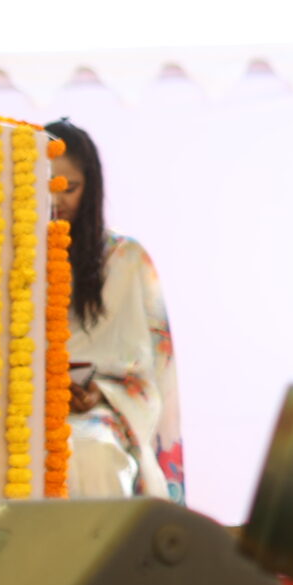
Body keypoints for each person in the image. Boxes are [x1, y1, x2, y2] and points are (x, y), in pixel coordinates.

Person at [47, 120, 185, 503]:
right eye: (45, 186)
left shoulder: (125, 260)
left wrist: (98, 393)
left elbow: (148, 372)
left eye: (69, 188)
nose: (56, 200)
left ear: (91, 188)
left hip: (99, 412)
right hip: (20, 411)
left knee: (91, 452)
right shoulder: (3, 259)